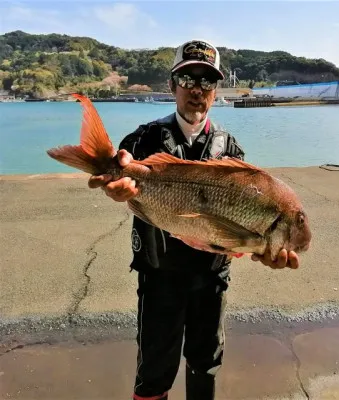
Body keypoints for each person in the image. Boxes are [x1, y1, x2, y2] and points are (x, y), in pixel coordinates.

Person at [88, 39, 299, 400]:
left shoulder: (230, 150)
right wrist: (112, 185)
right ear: (172, 85)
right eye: (188, 80)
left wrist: (266, 250)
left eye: (207, 82)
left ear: (215, 91)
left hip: (211, 279)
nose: (197, 91)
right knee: (154, 369)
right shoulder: (143, 139)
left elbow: (245, 227)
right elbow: (117, 172)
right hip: (159, 278)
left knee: (206, 363)